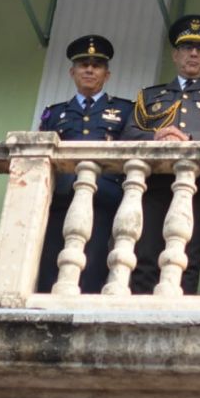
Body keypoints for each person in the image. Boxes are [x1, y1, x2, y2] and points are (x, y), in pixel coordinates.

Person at [121, 14, 200, 294]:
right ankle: (140, 313)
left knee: (187, 257)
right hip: (153, 183)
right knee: (145, 254)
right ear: (175, 55)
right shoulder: (150, 96)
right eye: (187, 48)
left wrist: (188, 138)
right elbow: (128, 133)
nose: (194, 54)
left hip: (198, 185)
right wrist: (156, 136)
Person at [36, 35, 133, 294]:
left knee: (94, 263)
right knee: (50, 262)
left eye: (96, 65)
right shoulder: (55, 113)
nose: (89, 70)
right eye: (83, 64)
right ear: (72, 72)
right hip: (62, 197)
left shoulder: (124, 110)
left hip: (104, 196)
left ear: (107, 74)